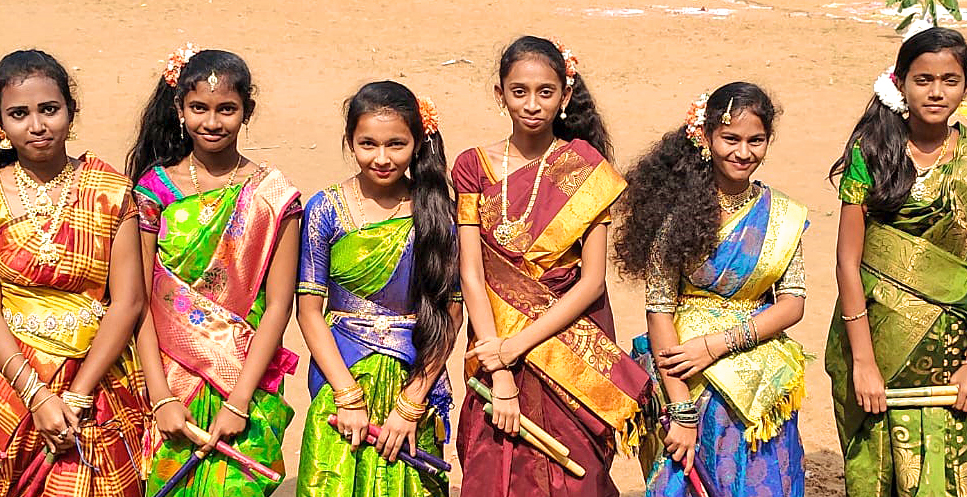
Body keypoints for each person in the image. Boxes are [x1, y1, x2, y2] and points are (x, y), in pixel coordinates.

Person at [454, 35, 649, 497]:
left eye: (546, 92)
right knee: (495, 468)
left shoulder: (586, 169)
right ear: (499, 93)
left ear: (565, 94)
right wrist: (499, 368)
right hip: (492, 339)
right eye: (519, 91)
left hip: (568, 345)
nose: (532, 104)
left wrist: (517, 345)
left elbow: (591, 282)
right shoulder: (471, 166)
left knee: (577, 475)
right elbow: (472, 274)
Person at [823, 26, 967, 496]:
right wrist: (862, 360)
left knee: (941, 470)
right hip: (875, 338)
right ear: (900, 82)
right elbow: (847, 260)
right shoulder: (871, 153)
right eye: (923, 79)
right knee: (874, 468)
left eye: (950, 79)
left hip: (946, 346)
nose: (937, 91)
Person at [614, 82, 809, 496]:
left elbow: (793, 302)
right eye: (730, 139)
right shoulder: (675, 215)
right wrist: (681, 412)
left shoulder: (781, 215)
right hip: (685, 376)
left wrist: (721, 343)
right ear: (705, 138)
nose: (743, 152)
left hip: (759, 380)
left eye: (756, 140)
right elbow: (659, 310)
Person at [0, 49, 147, 497]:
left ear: (71, 111)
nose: (37, 126)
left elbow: (128, 301)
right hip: (17, 381)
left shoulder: (111, 190)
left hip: (100, 377)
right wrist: (37, 396)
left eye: (49, 110)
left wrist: (77, 393)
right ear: (0, 122)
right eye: (19, 114)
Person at [128, 47, 302, 496]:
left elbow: (279, 305)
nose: (212, 122)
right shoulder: (154, 190)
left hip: (246, 381)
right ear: (179, 110)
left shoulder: (274, 195)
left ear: (248, 111)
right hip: (169, 383)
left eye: (227, 109)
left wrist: (240, 402)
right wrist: (159, 396)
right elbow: (138, 301)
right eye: (198, 109)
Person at [295, 81, 459, 497]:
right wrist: (347, 397)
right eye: (368, 144)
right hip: (339, 381)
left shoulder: (437, 211)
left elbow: (451, 314)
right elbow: (309, 311)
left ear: (418, 142)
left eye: (396, 145)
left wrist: (411, 403)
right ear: (350, 142)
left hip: (414, 383)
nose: (382, 158)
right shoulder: (325, 209)